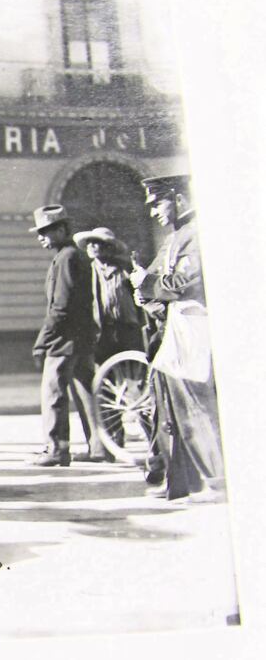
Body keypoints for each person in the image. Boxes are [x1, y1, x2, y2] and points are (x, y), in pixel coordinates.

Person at [130, 175, 225, 503]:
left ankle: (216, 481)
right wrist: (145, 290)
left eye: (158, 203)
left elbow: (183, 282)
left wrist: (146, 284)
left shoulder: (196, 234)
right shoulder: (175, 237)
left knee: (195, 406)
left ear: (180, 199)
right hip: (177, 333)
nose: (153, 211)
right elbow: (157, 282)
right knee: (168, 407)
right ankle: (181, 480)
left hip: (195, 332)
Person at [29, 205, 103, 466]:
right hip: (81, 337)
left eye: (46, 231)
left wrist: (42, 341)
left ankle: (56, 449)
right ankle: (99, 447)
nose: (41, 237)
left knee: (53, 393)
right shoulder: (75, 255)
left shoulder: (65, 258)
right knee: (87, 392)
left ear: (61, 230)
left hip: (64, 339)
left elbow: (60, 306)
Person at [73, 227, 143, 365]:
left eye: (96, 242)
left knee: (131, 364)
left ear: (109, 247)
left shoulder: (124, 269)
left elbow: (138, 293)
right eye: (89, 243)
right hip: (101, 330)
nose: (91, 246)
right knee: (105, 366)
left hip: (126, 328)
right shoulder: (87, 272)